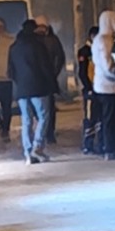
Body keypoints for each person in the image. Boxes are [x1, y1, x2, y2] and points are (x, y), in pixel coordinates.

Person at [7, 20, 56, 165]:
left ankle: (28, 152)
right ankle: (38, 148)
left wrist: (19, 83)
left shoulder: (14, 47)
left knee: (26, 120)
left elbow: (10, 71)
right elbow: (45, 67)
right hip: (38, 87)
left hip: (21, 89)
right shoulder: (38, 46)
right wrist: (52, 85)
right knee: (43, 117)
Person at [92, 10, 115, 160]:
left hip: (102, 86)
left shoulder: (100, 38)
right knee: (112, 120)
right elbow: (107, 64)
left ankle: (106, 146)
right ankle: (111, 149)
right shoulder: (105, 40)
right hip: (109, 86)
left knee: (107, 119)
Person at [34, 15, 67, 145]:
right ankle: (45, 131)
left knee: (49, 107)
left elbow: (60, 57)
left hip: (48, 79)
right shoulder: (35, 42)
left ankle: (49, 132)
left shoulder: (52, 40)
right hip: (40, 78)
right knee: (42, 108)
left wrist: (54, 72)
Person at [78, 26, 99, 154]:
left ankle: (101, 143)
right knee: (90, 118)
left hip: (101, 88)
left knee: (101, 118)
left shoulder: (101, 48)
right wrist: (88, 87)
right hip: (90, 89)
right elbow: (82, 72)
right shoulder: (85, 51)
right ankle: (88, 145)